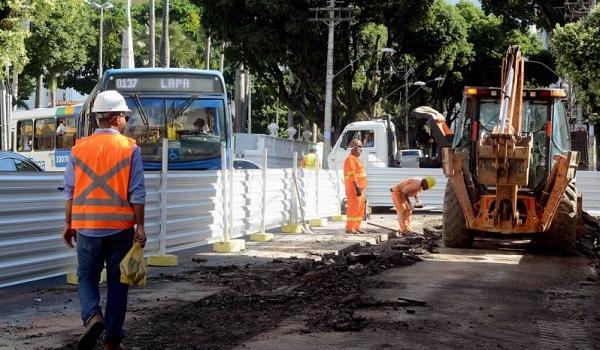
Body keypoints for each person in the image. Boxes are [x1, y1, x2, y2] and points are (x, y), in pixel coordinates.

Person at [62, 90, 146, 350]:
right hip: (120, 228)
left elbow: (70, 191)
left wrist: (68, 224)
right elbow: (137, 192)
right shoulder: (129, 148)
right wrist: (140, 225)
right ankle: (111, 341)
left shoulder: (79, 148)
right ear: (116, 118)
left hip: (86, 226)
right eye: (126, 117)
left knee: (86, 277)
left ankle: (92, 317)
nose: (127, 122)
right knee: (118, 282)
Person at [344, 139, 367, 234]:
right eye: (359, 147)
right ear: (354, 148)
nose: (361, 149)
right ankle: (349, 228)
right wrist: (357, 187)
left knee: (360, 208)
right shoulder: (350, 159)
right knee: (353, 207)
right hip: (354, 188)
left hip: (359, 188)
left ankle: (356, 227)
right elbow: (351, 175)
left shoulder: (355, 159)